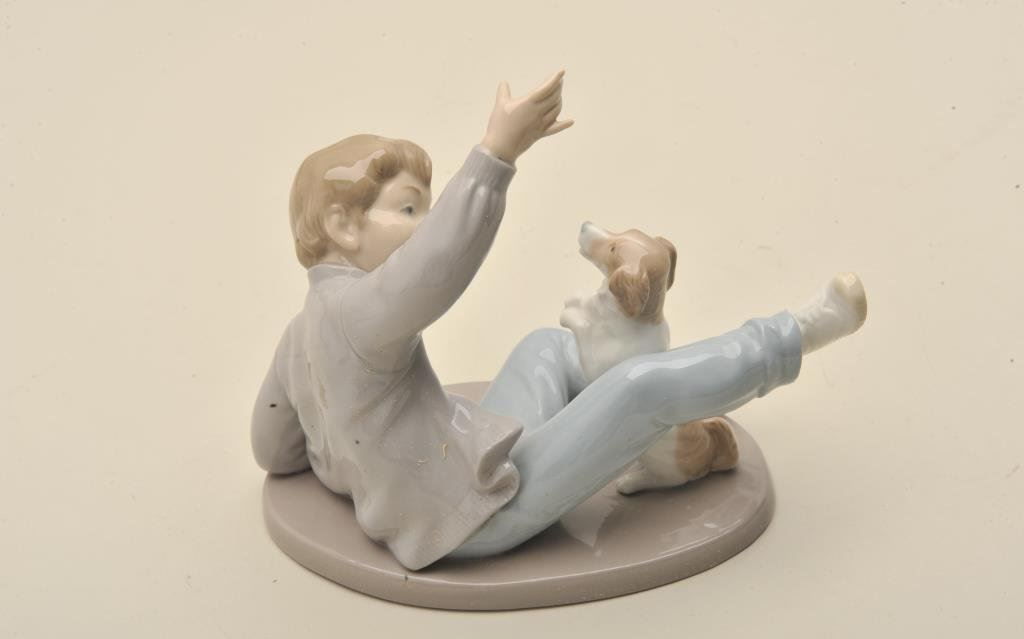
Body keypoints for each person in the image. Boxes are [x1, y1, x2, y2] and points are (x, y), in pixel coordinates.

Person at [251, 71, 867, 570]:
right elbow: (434, 267)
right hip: (470, 518)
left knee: (547, 346)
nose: (424, 223)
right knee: (637, 388)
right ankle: (793, 335)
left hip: (458, 465)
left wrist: (346, 464)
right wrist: (496, 155)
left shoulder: (298, 338)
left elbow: (272, 449)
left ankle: (660, 451)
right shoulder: (358, 314)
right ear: (343, 226)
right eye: (409, 209)